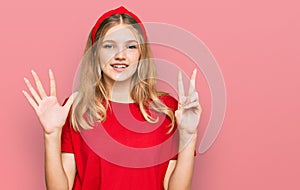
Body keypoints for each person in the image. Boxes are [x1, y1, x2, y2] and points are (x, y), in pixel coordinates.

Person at [22, 6, 201, 190]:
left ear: (141, 54)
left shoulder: (166, 109)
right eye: (109, 46)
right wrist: (51, 135)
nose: (120, 56)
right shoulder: (77, 108)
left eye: (131, 47)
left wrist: (189, 135)